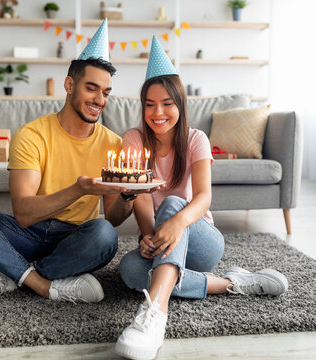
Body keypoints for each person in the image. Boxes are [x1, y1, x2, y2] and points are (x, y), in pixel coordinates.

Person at [114, 36, 289, 360]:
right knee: (129, 272)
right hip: (160, 238)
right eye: (150, 104)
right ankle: (230, 283)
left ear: (181, 104)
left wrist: (177, 220)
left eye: (167, 103)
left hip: (201, 240)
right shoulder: (134, 139)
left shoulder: (196, 139)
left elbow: (204, 198)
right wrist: (147, 234)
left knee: (171, 203)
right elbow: (138, 197)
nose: (158, 112)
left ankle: (154, 315)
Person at [0, 19, 142, 303]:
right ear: (69, 84)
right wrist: (80, 189)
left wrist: (127, 197)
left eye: (106, 92)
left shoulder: (113, 143)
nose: (100, 99)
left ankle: (12, 274)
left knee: (104, 235)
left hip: (73, 239)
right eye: (92, 88)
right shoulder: (32, 134)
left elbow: (112, 218)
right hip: (25, 233)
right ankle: (44, 283)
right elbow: (24, 213)